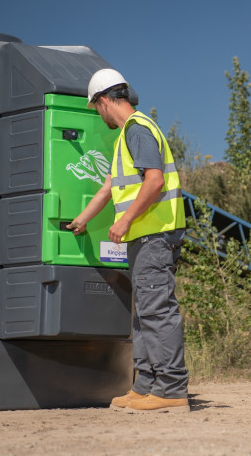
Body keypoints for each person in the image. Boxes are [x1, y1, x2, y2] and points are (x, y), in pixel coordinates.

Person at [67, 68, 189, 414]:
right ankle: (145, 386)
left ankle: (171, 388)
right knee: (143, 314)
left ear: (104, 100)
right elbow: (109, 187)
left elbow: (154, 182)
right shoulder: (126, 136)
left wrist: (124, 220)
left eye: (96, 108)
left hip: (154, 234)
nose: (98, 114)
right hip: (143, 237)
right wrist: (81, 221)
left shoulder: (138, 130)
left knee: (157, 310)